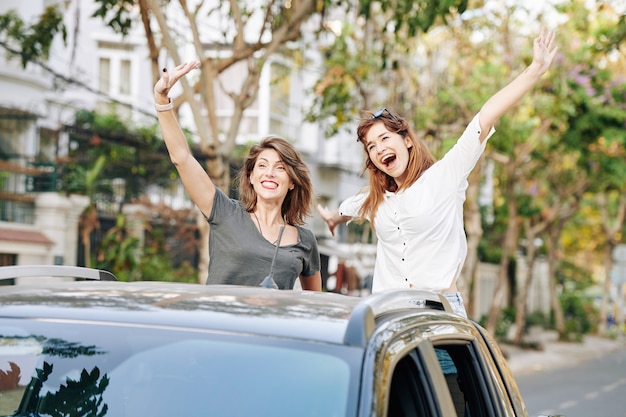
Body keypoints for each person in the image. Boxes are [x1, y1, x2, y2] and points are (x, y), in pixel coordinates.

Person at [317, 28, 558, 316]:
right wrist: (333, 218)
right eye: (371, 146)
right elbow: (349, 209)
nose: (379, 149)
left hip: (438, 313)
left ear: (406, 140)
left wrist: (535, 70)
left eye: (385, 139)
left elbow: (484, 118)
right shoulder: (375, 198)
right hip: (389, 315)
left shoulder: (445, 176)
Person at [154, 61, 322, 291]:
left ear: (292, 181)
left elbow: (314, 306)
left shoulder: (305, 241)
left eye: (281, 167)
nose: (270, 173)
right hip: (220, 326)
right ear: (251, 177)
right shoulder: (226, 214)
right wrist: (162, 101)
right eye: (262, 166)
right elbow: (182, 158)